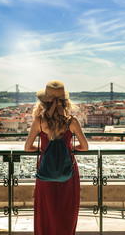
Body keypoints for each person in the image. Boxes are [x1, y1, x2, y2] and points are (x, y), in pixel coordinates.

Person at [25, 80, 88, 235]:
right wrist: (67, 149)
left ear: (43, 102)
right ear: (65, 102)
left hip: (46, 170)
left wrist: (45, 149)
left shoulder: (39, 121)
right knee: (67, 210)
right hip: (68, 172)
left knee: (46, 210)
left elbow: (27, 148)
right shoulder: (72, 121)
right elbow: (85, 147)